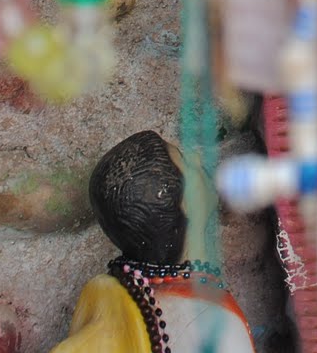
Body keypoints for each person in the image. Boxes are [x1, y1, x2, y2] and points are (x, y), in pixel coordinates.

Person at [53, 131, 253, 353]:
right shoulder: (215, 324)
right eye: (186, 161)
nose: (196, 159)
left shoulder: (124, 291)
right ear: (187, 202)